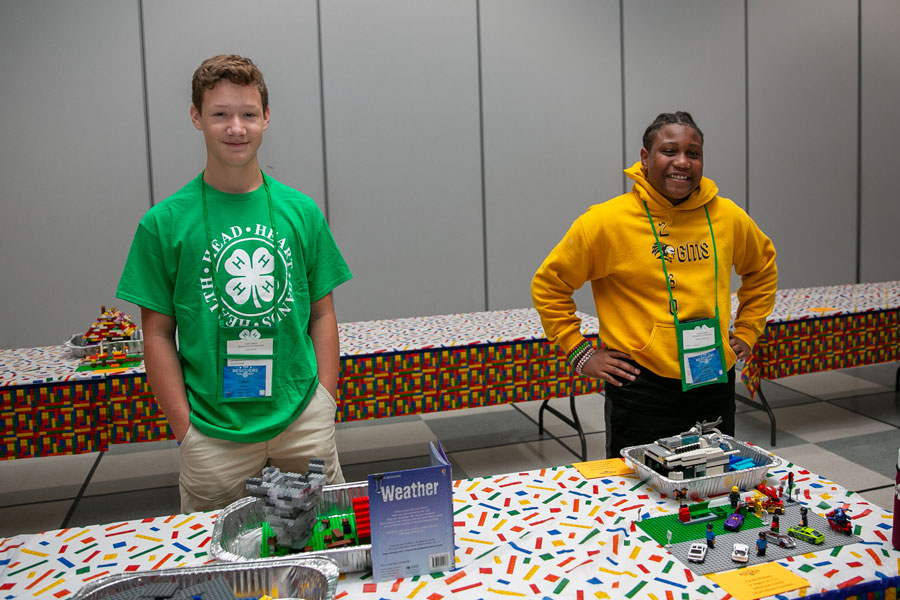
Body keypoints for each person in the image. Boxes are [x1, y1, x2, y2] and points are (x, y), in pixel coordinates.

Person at [117, 55, 352, 512]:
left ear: (266, 118)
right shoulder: (163, 224)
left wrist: (324, 399)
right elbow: (158, 334)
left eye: (247, 114)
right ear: (196, 118)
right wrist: (185, 429)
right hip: (213, 432)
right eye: (220, 114)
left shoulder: (301, 212)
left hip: (302, 417)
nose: (235, 127)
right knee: (217, 567)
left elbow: (322, 313)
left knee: (324, 541)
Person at [532, 111, 777, 459]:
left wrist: (749, 329)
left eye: (693, 153)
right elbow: (549, 285)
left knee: (715, 482)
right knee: (637, 490)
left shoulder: (728, 217)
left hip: (712, 377)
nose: (682, 162)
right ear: (645, 158)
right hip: (640, 384)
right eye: (669, 151)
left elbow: (762, 267)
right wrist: (578, 351)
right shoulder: (605, 221)